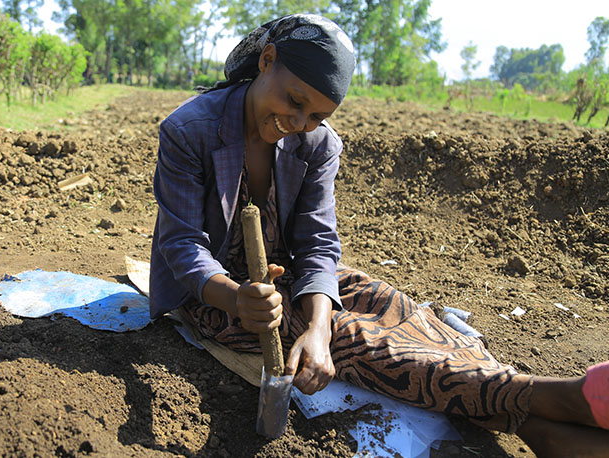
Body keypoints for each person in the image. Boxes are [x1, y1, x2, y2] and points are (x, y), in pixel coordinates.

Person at [149, 14, 609, 457]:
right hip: (215, 298)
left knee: (397, 309)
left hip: (288, 273)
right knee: (359, 339)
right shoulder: (190, 130)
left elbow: (316, 243)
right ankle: (559, 400)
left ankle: (541, 429)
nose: (299, 122)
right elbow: (182, 246)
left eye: (316, 114)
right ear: (266, 61)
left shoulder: (319, 143)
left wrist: (316, 330)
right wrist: (237, 297)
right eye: (294, 101)